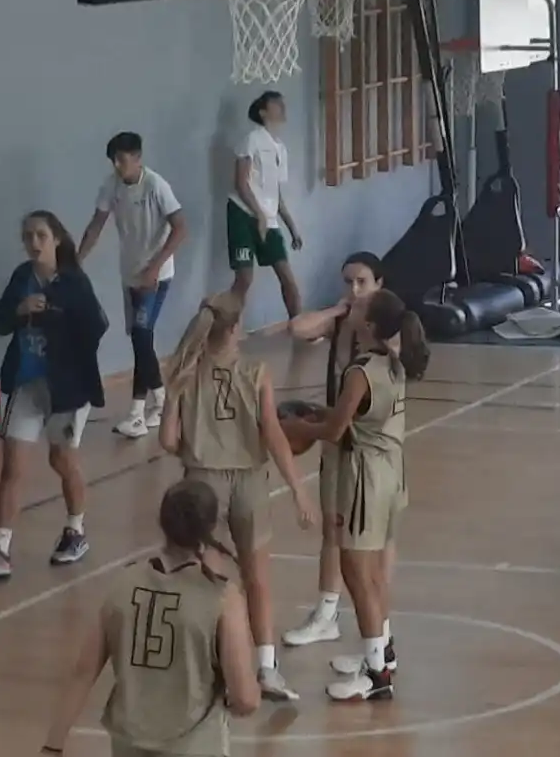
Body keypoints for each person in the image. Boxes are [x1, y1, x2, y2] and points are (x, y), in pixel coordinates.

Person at [159, 292, 316, 702]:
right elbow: (273, 433)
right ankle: (266, 667)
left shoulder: (183, 372)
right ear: (234, 328)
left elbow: (168, 439)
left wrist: (197, 448)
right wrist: (299, 488)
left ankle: (209, 667)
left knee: (205, 580)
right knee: (257, 577)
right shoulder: (256, 370)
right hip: (249, 479)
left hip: (201, 482)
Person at [39, 479, 260, 757]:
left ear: (162, 521)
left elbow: (83, 671)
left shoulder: (123, 582)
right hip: (194, 744)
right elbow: (245, 698)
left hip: (129, 741)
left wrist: (53, 744)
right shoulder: (222, 597)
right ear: (212, 528)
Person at [284, 291, 430, 702]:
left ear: (368, 325)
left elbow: (334, 432)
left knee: (358, 575)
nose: (354, 306)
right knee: (373, 575)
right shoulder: (393, 361)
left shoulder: (360, 371)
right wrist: (321, 415)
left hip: (364, 479)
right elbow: (354, 418)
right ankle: (380, 652)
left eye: (361, 307)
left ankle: (377, 676)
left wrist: (298, 428)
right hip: (391, 474)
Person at [0, 211, 108, 580]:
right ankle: (0, 547)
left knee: (61, 461)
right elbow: (0, 323)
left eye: (40, 235)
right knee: (12, 467)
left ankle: (76, 530)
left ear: (56, 239)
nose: (33, 243)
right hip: (28, 383)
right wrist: (19, 310)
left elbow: (97, 326)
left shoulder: (73, 282)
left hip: (66, 389)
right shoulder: (21, 278)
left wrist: (55, 315)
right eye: (27, 235)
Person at [282, 251, 386, 649]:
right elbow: (297, 328)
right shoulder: (342, 321)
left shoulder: (384, 332)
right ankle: (327, 614)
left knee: (370, 544)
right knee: (332, 527)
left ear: (379, 284)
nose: (354, 290)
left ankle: (379, 642)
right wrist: (337, 309)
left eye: (362, 282)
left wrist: (310, 425)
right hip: (339, 440)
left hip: (369, 448)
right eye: (348, 282)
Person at [78, 131, 188, 439]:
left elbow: (181, 228)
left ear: (138, 159)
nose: (117, 165)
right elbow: (95, 226)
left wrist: (154, 267)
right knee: (142, 341)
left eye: (123, 160)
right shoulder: (111, 186)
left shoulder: (156, 186)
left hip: (157, 275)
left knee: (141, 336)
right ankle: (139, 414)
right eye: (114, 160)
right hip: (130, 275)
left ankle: (166, 403)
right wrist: (76, 262)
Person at [229, 91, 305, 319]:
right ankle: (227, 333)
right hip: (242, 213)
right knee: (244, 278)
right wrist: (259, 214)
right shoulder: (251, 139)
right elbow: (241, 183)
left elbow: (276, 195)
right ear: (263, 112)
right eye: (276, 104)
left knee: (287, 277)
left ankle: (300, 326)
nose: (282, 107)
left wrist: (292, 228)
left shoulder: (280, 148)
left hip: (268, 218)